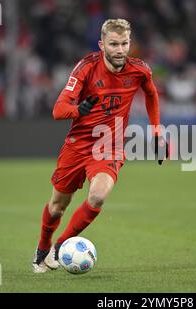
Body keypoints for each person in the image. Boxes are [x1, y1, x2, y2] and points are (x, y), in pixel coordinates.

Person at [32, 18, 169, 273]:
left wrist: (157, 131)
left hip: (110, 144)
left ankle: (59, 248)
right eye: (114, 44)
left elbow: (152, 94)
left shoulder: (140, 70)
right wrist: (77, 109)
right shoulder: (86, 68)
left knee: (97, 196)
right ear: (102, 44)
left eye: (124, 43)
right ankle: (42, 247)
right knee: (57, 205)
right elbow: (57, 109)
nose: (120, 50)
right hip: (78, 143)